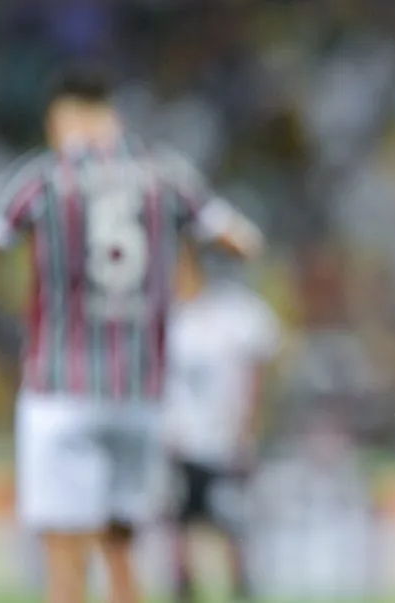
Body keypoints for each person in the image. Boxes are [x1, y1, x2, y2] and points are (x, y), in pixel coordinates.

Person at [0, 68, 263, 603]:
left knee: (66, 562)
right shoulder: (167, 175)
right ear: (113, 116)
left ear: (63, 118)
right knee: (122, 555)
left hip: (63, 391)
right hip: (139, 398)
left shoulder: (42, 177)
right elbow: (242, 241)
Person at [161, 244, 280, 603]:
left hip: (223, 440)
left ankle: (240, 590)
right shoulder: (173, 314)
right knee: (180, 526)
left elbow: (255, 374)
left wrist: (245, 427)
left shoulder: (239, 313)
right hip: (179, 440)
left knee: (231, 525)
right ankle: (185, 592)